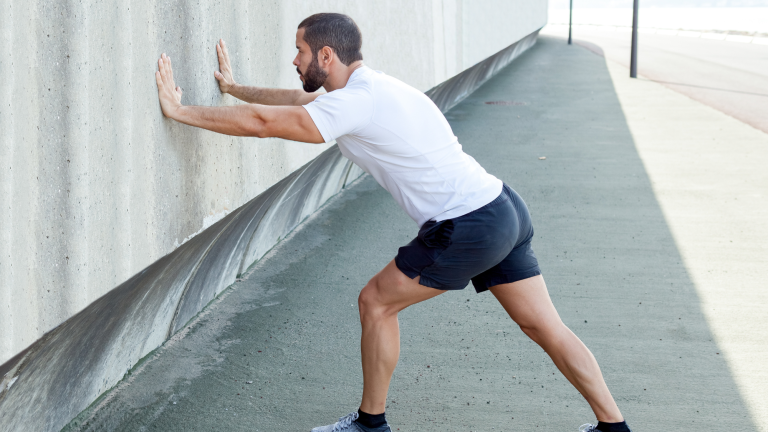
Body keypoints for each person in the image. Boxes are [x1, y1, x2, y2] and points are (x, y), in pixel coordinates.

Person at [155, 12, 632, 432]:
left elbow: (266, 123)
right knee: (545, 326)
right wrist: (236, 90)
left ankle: (371, 423)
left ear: (326, 54)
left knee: (376, 302)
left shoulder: (356, 101)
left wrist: (179, 111)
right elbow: (292, 103)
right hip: (501, 206)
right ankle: (616, 427)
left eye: (299, 52)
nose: (294, 61)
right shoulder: (370, 88)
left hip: (465, 224)